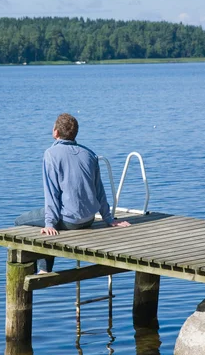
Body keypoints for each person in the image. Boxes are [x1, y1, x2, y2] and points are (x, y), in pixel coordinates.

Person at [14, 113, 130, 273]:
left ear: (55, 132)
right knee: (48, 219)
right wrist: (108, 218)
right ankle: (42, 268)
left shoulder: (51, 154)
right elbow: (99, 190)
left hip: (69, 221)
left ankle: (42, 269)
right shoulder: (90, 154)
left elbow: (51, 193)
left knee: (20, 221)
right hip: (88, 219)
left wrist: (49, 223)